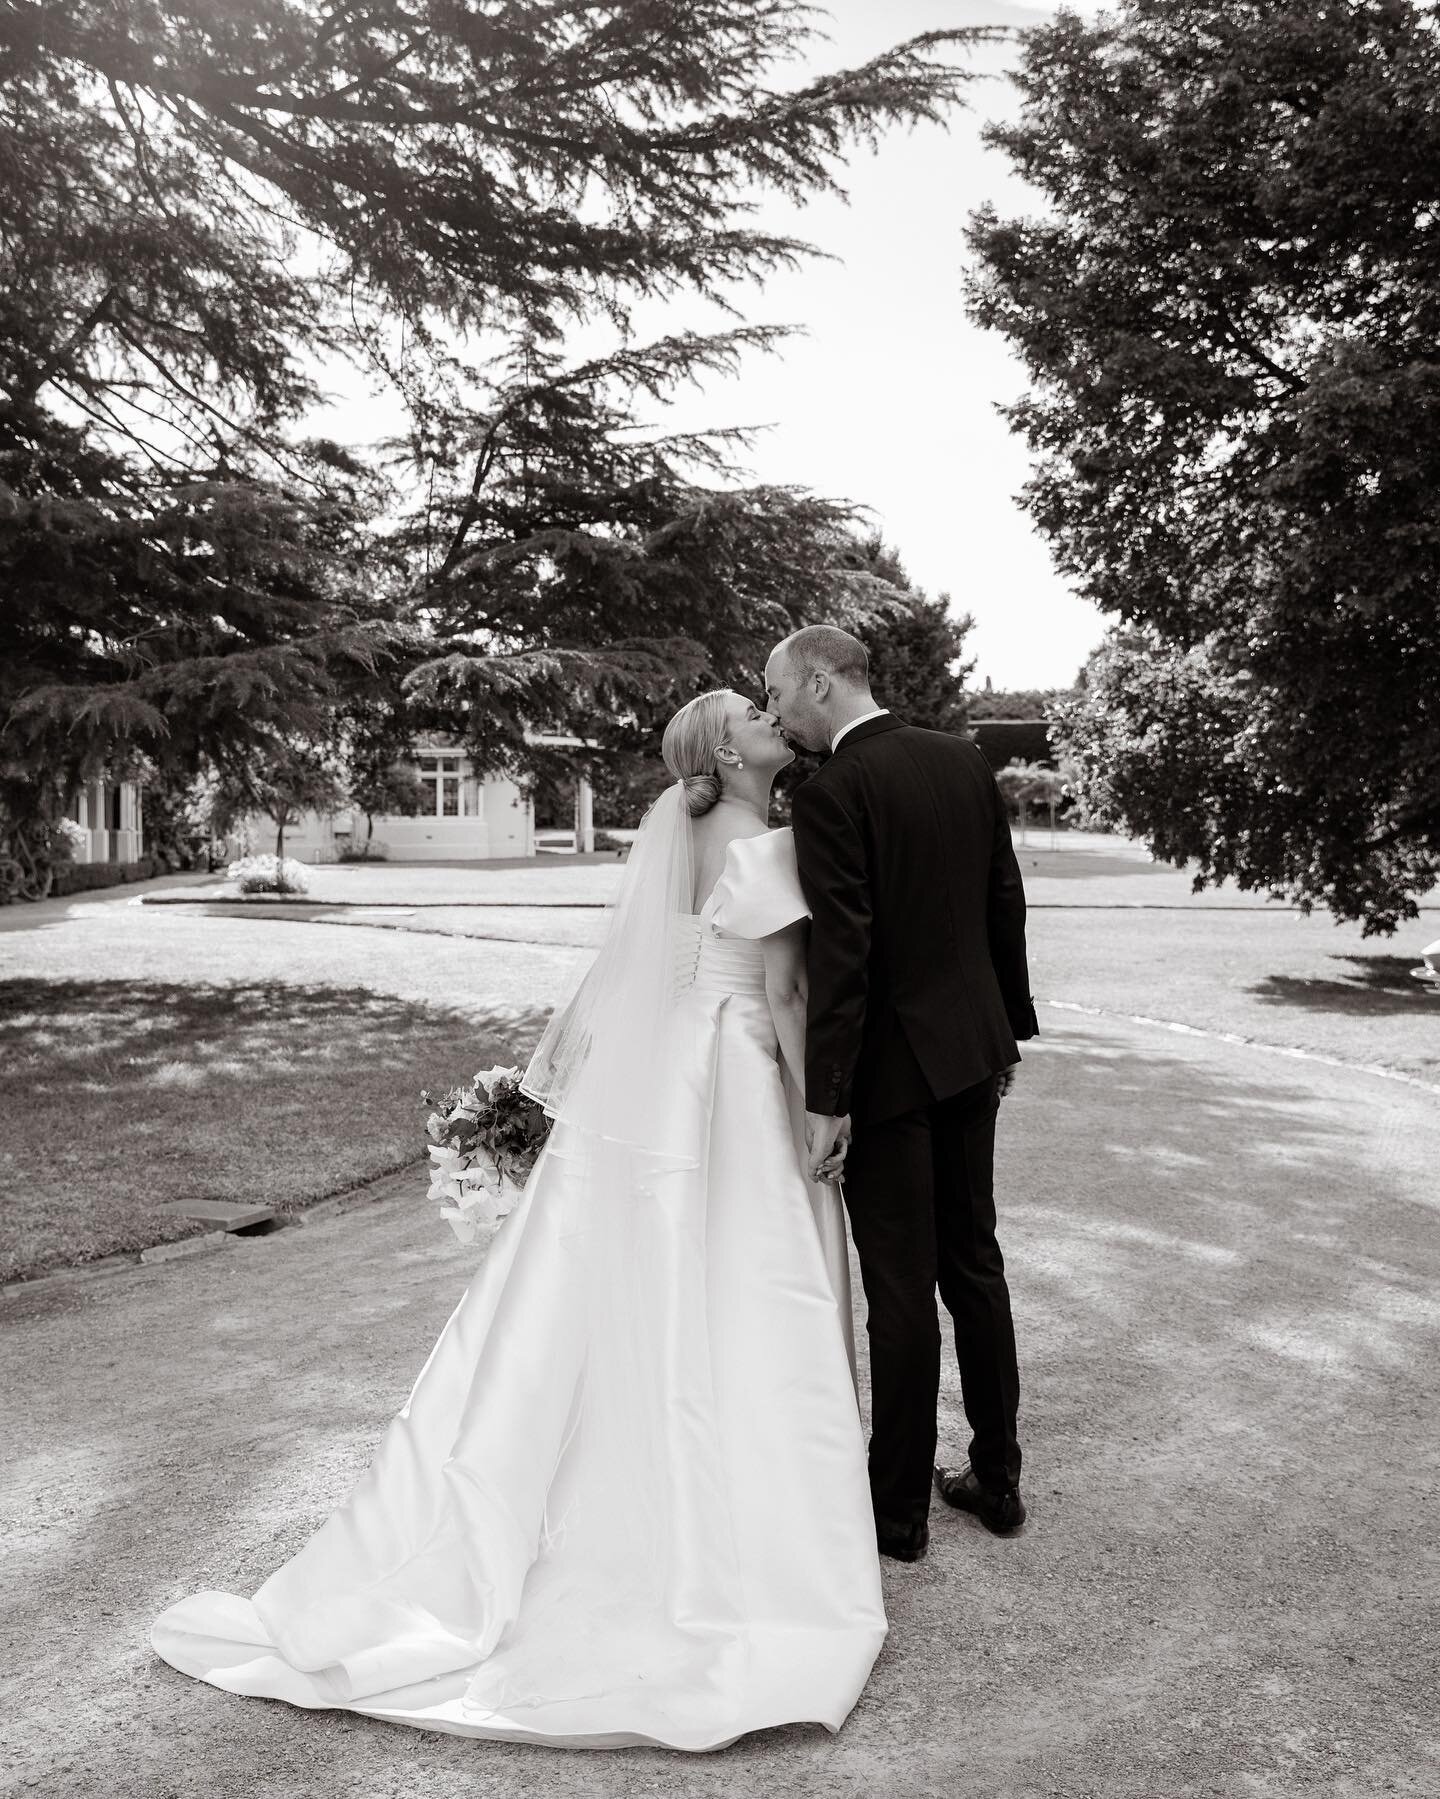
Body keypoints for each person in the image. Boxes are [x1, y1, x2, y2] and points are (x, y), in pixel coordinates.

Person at [149, 689, 886, 1751]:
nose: (775, 721)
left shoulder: (671, 827)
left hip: (655, 1078)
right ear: (728, 749)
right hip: (727, 1070)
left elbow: (630, 968)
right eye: (755, 716)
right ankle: (738, 1528)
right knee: (731, 1271)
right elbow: (784, 997)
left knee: (612, 1271)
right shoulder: (762, 841)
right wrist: (815, 1110)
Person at [764, 625, 1038, 1562]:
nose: (776, 713)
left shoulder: (830, 790)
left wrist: (825, 1098)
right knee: (975, 1263)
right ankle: (998, 1480)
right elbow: (1006, 897)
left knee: (901, 1291)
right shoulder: (962, 760)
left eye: (780, 693)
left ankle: (897, 1516)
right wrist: (1011, 1029)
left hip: (887, 1075)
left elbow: (848, 954)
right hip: (971, 1054)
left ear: (821, 680)